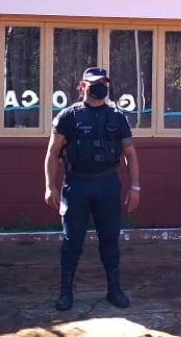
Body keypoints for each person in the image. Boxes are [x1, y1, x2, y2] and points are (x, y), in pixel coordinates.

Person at [44, 66, 141, 311]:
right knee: (72, 240)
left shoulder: (117, 117)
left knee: (110, 238)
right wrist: (49, 186)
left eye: (104, 83)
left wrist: (135, 187)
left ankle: (114, 290)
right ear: (82, 86)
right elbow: (53, 153)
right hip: (76, 185)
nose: (101, 87)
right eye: (95, 83)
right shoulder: (68, 116)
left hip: (107, 184)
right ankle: (66, 292)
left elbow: (130, 154)